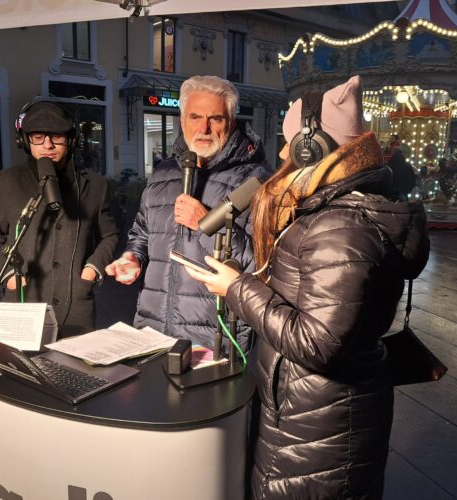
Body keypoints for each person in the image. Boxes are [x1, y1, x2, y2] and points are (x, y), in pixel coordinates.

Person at [182, 75, 430, 499]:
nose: (281, 153)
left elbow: (318, 344)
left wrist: (236, 288)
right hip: (315, 413)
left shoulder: (340, 227)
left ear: (312, 146)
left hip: (319, 422)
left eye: (290, 142)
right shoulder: (339, 212)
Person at [105, 75, 271, 352]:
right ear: (182, 120)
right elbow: (142, 232)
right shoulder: (163, 173)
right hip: (152, 329)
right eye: (195, 117)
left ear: (231, 121)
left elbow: (261, 265)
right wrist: (133, 256)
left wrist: (206, 222)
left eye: (215, 118)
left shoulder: (254, 181)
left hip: (213, 338)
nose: (204, 128)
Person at [0, 101, 119, 330]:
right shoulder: (5, 182)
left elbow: (110, 235)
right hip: (23, 304)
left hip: (76, 310)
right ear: (25, 140)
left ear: (71, 140)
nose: (48, 145)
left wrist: (91, 270)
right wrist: (9, 276)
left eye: (57, 136)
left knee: (73, 367)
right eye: (38, 137)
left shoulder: (96, 185)